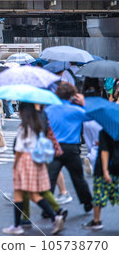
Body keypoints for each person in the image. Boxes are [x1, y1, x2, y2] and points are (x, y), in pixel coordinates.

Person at [2, 103, 65, 235]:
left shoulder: (23, 127)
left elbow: (18, 149)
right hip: (36, 161)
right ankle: (55, 217)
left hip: (25, 161)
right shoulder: (38, 125)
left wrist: (15, 164)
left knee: (20, 193)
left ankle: (17, 225)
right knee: (34, 194)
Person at [45, 83, 93, 213]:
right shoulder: (76, 110)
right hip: (72, 148)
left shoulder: (49, 110)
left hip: (55, 148)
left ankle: (47, 207)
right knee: (78, 177)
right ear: (72, 96)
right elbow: (90, 116)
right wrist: (83, 103)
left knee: (50, 178)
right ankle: (87, 202)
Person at [83, 130, 119, 230]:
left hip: (105, 169)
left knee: (99, 194)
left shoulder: (105, 131)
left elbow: (104, 151)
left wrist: (105, 170)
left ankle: (96, 221)